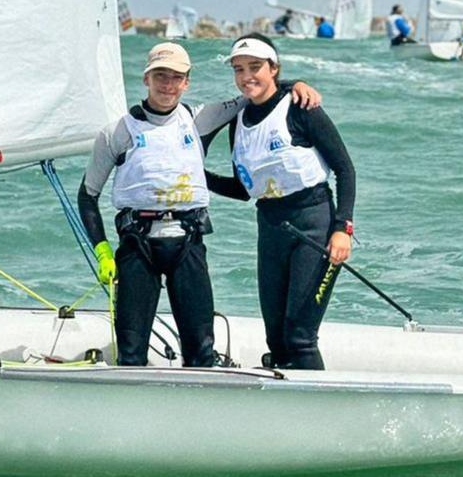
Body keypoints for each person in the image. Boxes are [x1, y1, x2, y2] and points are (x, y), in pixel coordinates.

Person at [77, 42, 321, 367]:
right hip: (136, 245)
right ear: (146, 78)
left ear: (187, 82)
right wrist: (102, 250)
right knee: (131, 353)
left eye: (176, 77)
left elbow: (257, 90)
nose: (168, 85)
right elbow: (88, 195)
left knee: (202, 354)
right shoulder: (116, 133)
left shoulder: (200, 118)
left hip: (188, 244)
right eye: (160, 76)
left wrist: (296, 85)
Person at [205, 33, 355, 370]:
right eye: (239, 69)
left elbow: (345, 169)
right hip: (271, 229)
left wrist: (342, 228)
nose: (247, 76)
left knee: (300, 335)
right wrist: (202, 178)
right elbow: (247, 189)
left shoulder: (301, 107)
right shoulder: (239, 121)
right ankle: (288, 414)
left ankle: (319, 414)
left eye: (255, 67)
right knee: (276, 337)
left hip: (313, 225)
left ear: (274, 68)